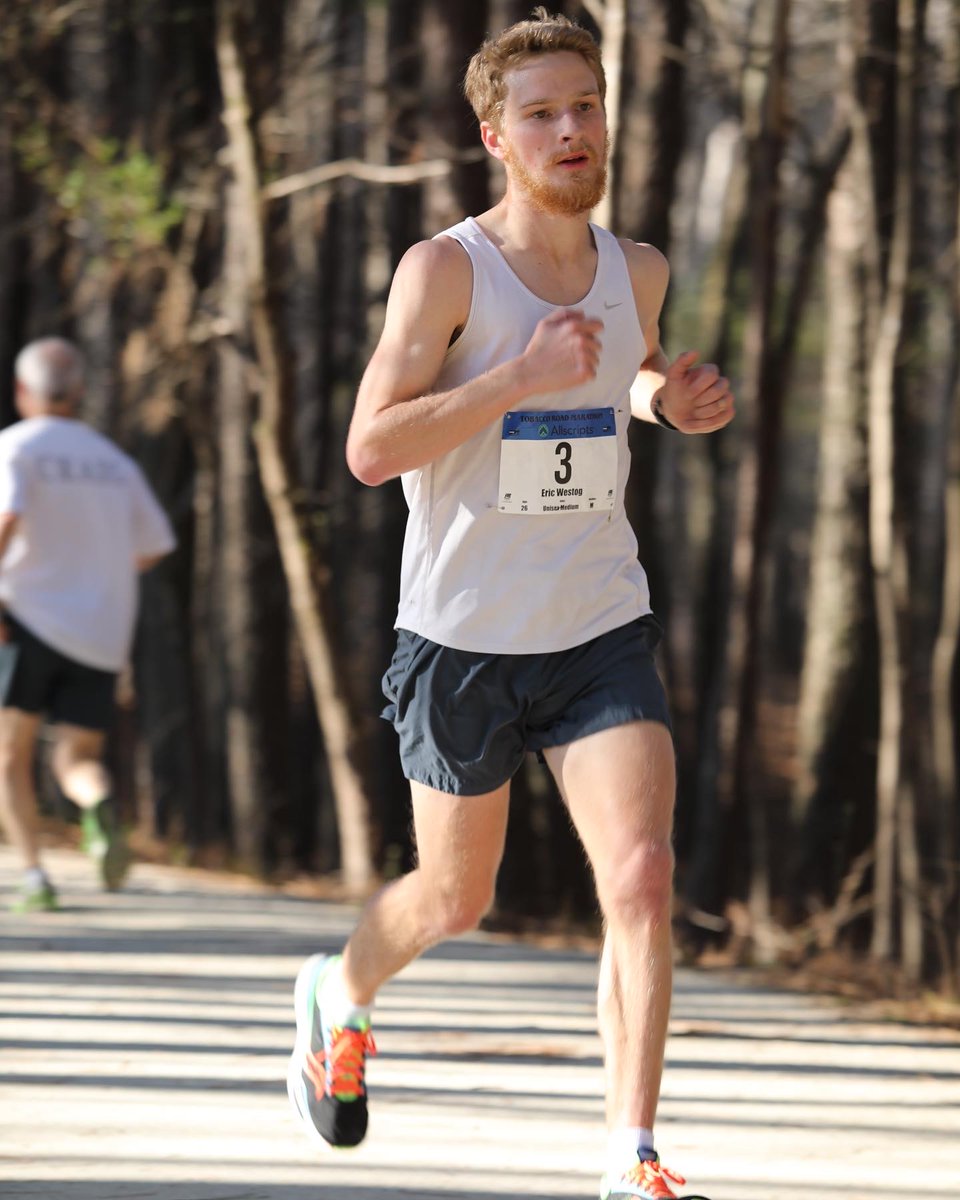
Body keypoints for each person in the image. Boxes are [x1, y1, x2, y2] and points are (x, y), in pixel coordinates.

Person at [287, 10, 734, 1200]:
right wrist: (512, 377)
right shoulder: (443, 270)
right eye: (541, 113)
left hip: (597, 624)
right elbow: (372, 449)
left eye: (584, 105)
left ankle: (628, 1153)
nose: (571, 129)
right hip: (464, 637)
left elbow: (608, 374)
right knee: (458, 898)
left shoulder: (638, 268)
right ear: (496, 135)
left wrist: (661, 401)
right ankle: (342, 991)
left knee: (640, 876)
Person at [0, 336, 176, 912]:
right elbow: (152, 546)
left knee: (9, 756)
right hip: (100, 629)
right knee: (76, 758)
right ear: (77, 393)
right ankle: (95, 804)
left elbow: (8, 515)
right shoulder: (113, 463)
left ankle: (34, 877)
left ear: (23, 390)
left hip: (23, 621)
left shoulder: (15, 448)